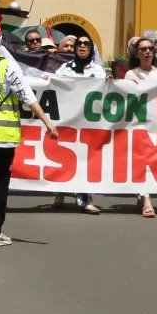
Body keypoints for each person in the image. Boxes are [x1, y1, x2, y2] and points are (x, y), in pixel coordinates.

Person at [0, 21, 60, 247]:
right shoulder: (8, 65)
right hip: (3, 135)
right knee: (0, 182)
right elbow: (27, 96)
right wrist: (47, 122)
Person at [55, 36, 105, 214]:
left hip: (88, 123)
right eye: (79, 44)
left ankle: (85, 200)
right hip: (67, 121)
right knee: (64, 157)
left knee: (85, 159)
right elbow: (55, 88)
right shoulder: (64, 69)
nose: (82, 46)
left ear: (91, 48)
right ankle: (59, 193)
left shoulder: (98, 71)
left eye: (86, 44)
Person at [123, 37, 157, 218]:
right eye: (143, 49)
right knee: (142, 161)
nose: (147, 52)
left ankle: (142, 194)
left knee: (152, 161)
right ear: (136, 53)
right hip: (138, 123)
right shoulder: (131, 75)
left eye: (150, 48)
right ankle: (147, 200)